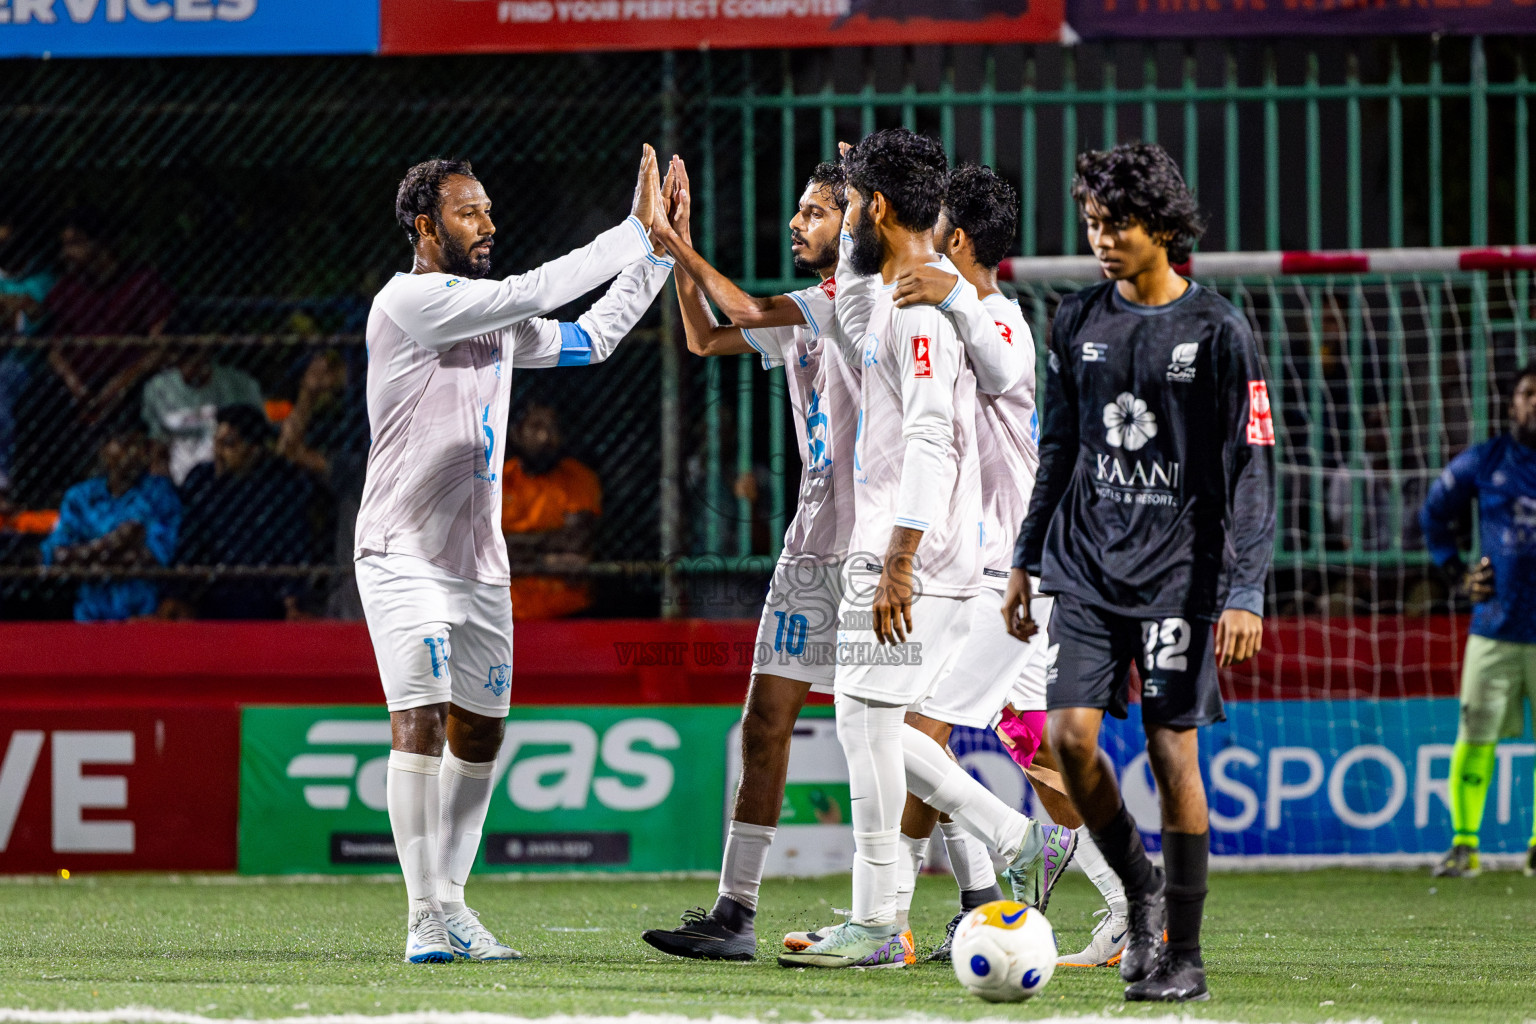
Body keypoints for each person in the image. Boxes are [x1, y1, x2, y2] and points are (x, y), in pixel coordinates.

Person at [353, 151, 671, 965]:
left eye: (490, 209)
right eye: (470, 213)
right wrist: (633, 231)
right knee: (419, 718)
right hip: (402, 554)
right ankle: (423, 913)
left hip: (480, 563)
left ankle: (453, 902)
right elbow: (531, 290)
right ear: (427, 227)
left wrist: (660, 255)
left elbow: (592, 341)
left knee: (482, 734)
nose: (489, 224)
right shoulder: (413, 299)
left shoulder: (488, 318)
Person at [777, 129, 1070, 970]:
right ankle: (887, 916)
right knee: (874, 728)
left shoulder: (925, 307)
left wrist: (899, 556)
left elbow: (935, 436)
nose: (841, 215)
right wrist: (874, 176)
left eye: (853, 202)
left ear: (877, 210)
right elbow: (862, 306)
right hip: (919, 545)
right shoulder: (891, 291)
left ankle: (999, 848)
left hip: (916, 550)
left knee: (875, 727)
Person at [1005, 142, 1275, 1002]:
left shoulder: (1221, 331)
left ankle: (1183, 955)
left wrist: (1244, 589)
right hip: (1085, 567)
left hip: (1179, 577)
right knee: (1068, 744)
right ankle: (1141, 890)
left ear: (1163, 228)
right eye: (1092, 223)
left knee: (1170, 752)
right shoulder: (1076, 320)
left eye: (1117, 225)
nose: (1101, 239)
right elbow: (1055, 449)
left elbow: (1254, 465)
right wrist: (1024, 557)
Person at [882, 164, 1127, 967]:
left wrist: (946, 289)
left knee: (898, 731)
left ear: (957, 240)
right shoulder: (963, 314)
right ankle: (1134, 904)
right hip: (1030, 567)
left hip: (1021, 574)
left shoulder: (1002, 320)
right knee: (1043, 751)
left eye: (935, 227)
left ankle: (1009, 850)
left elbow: (1002, 369)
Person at [640, 158, 860, 961]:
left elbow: (739, 303)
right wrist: (679, 251)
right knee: (765, 721)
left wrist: (672, 242)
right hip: (810, 547)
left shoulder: (855, 300)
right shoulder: (802, 310)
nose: (797, 223)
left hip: (876, 547)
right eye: (797, 210)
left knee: (902, 735)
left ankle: (973, 898)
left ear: (856, 222)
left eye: (813, 212)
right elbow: (705, 334)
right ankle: (736, 913)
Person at [1420, 364, 1536, 879]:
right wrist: (1454, 574)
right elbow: (1433, 512)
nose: (1535, 403)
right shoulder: (1487, 461)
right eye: (1529, 393)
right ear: (1513, 402)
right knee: (1475, 735)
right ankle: (1465, 845)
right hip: (1494, 627)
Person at [169, 404, 317, 620]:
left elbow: (292, 545)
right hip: (211, 589)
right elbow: (189, 541)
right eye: (216, 443)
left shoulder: (278, 484)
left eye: (229, 444)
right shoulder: (201, 480)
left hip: (265, 591)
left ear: (253, 448)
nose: (218, 453)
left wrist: (292, 603)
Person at [40, 430, 180, 622]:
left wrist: (87, 556)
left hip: (141, 612)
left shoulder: (158, 493)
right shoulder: (81, 496)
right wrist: (113, 543)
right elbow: (56, 553)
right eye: (123, 444)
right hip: (90, 613)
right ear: (104, 451)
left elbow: (157, 554)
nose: (132, 453)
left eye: (139, 446)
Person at [501, 402, 603, 621]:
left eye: (553, 428)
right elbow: (485, 549)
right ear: (516, 433)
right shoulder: (498, 479)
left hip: (569, 612)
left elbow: (575, 543)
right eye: (536, 427)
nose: (545, 437)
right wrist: (549, 561)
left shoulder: (578, 478)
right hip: (506, 614)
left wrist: (511, 550)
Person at [142, 346, 265, 485]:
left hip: (231, 472)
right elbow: (157, 450)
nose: (192, 366)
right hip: (183, 478)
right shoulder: (159, 388)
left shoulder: (238, 384)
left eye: (196, 356)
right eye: (185, 359)